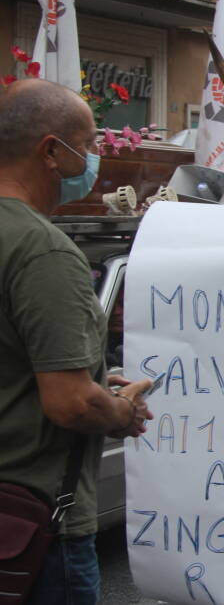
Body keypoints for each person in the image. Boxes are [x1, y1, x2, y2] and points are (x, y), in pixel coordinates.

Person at [0, 79, 154, 604]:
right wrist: (118, 410)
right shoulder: (44, 251)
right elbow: (69, 403)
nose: (92, 160)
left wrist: (88, 374)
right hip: (33, 519)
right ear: (50, 152)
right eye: (87, 146)